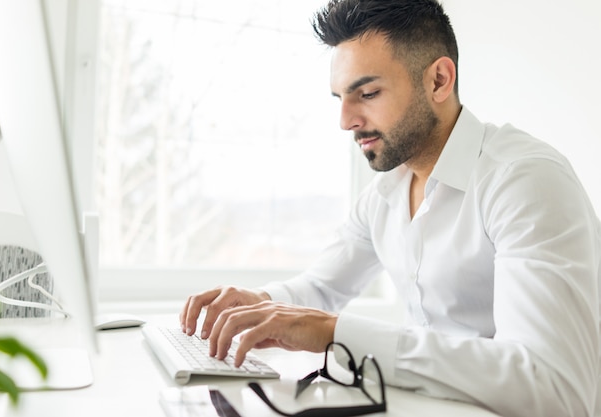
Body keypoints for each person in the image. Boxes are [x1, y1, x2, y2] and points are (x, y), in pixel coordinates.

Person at [180, 1, 601, 416]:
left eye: (367, 93)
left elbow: (556, 392)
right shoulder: (384, 195)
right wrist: (260, 303)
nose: (346, 121)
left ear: (439, 80)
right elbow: (321, 289)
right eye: (340, 98)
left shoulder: (524, 180)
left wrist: (336, 334)